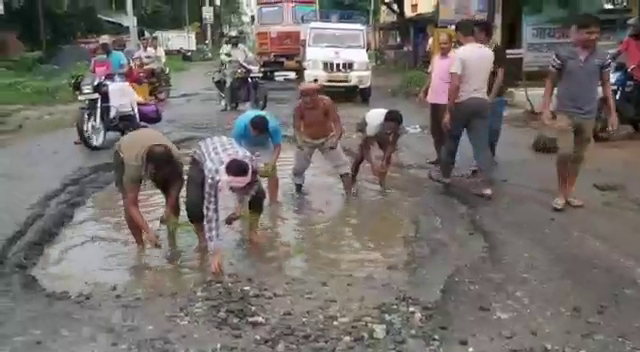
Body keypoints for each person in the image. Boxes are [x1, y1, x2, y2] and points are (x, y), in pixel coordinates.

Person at [540, 13, 618, 211]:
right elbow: (550, 81)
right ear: (576, 33)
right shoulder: (562, 54)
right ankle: (560, 192)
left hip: (588, 113)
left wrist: (612, 113)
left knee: (578, 156)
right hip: (565, 112)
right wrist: (545, 108)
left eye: (596, 33)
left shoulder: (603, 56)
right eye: (588, 32)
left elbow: (607, 84)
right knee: (564, 153)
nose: (593, 37)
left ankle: (569, 192)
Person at [429, 19, 495, 199]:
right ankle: (486, 186)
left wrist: (449, 110)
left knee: (451, 140)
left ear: (458, 35)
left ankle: (445, 176)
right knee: (481, 145)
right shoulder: (489, 53)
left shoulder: (459, 54)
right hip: (482, 101)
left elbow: (455, 83)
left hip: (462, 102)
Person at [185, 136, 265, 274]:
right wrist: (216, 250)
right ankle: (202, 240)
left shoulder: (251, 162)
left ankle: (253, 232)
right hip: (201, 157)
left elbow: (251, 188)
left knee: (259, 195)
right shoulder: (213, 172)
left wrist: (239, 208)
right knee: (194, 205)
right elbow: (211, 211)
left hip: (227, 149)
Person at [113, 128, 184, 248]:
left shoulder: (176, 157)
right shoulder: (133, 165)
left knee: (173, 200)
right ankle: (140, 245)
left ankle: (172, 242)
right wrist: (148, 232)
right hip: (125, 150)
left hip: (152, 144)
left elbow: (177, 184)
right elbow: (132, 205)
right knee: (127, 200)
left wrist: (169, 206)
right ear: (149, 168)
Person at [292, 83, 352, 195]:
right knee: (298, 169)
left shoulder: (326, 103)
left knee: (343, 165)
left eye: (310, 96)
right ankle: (298, 193)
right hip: (307, 140)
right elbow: (296, 128)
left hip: (327, 138)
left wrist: (336, 138)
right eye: (304, 97)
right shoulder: (299, 107)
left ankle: (349, 195)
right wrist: (299, 141)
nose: (307, 100)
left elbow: (337, 122)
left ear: (317, 95)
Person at [232, 110, 282, 204]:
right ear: (250, 126)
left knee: (272, 172)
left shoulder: (273, 127)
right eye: (253, 131)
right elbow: (235, 147)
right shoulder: (240, 125)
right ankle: (241, 201)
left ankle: (273, 201)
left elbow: (277, 146)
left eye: (257, 132)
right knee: (242, 171)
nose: (254, 134)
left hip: (264, 144)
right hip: (246, 144)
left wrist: (272, 163)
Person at [420, 31, 455, 165]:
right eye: (440, 43)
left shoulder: (454, 59)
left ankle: (447, 160)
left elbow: (455, 81)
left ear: (451, 43)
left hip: (445, 100)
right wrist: (423, 90)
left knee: (445, 131)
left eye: (445, 43)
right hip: (433, 98)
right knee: (435, 131)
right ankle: (439, 157)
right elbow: (431, 76)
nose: (442, 46)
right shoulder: (436, 58)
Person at [474, 19, 507, 160]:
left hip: (494, 96)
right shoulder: (475, 50)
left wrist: (491, 98)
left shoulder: (497, 50)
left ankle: (489, 155)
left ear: (484, 34)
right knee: (478, 129)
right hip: (477, 95)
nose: (473, 36)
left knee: (493, 129)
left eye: (475, 33)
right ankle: (481, 159)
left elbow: (500, 76)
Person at [351, 109, 404, 190]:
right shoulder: (373, 125)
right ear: (384, 123)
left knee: (387, 156)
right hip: (368, 121)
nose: (390, 130)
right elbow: (366, 148)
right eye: (389, 128)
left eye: (393, 129)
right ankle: (352, 179)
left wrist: (385, 159)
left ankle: (382, 183)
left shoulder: (400, 129)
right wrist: (373, 164)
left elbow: (392, 145)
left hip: (381, 126)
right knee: (360, 155)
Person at [219, 31, 254, 111]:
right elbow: (222, 56)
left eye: (236, 38)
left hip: (242, 67)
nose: (234, 40)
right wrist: (229, 59)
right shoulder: (226, 47)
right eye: (233, 39)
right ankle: (227, 103)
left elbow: (249, 54)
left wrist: (251, 58)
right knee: (229, 83)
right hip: (230, 69)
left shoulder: (242, 47)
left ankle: (249, 99)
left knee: (250, 79)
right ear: (230, 39)